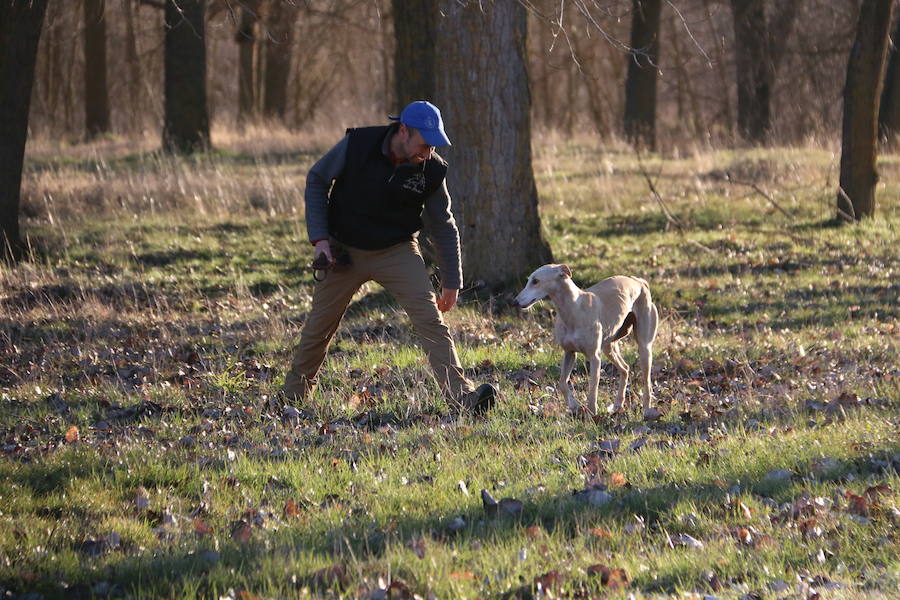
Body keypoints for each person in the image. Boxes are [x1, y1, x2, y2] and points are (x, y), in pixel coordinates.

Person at [281, 100, 497, 415]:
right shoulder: (357, 145)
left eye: (434, 145)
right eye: (424, 143)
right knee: (318, 328)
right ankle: (291, 400)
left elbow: (444, 225)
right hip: (344, 251)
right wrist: (320, 240)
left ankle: (462, 398)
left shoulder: (433, 170)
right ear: (403, 130)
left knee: (430, 322)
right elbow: (316, 179)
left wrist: (452, 282)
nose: (428, 152)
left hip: (397, 250)